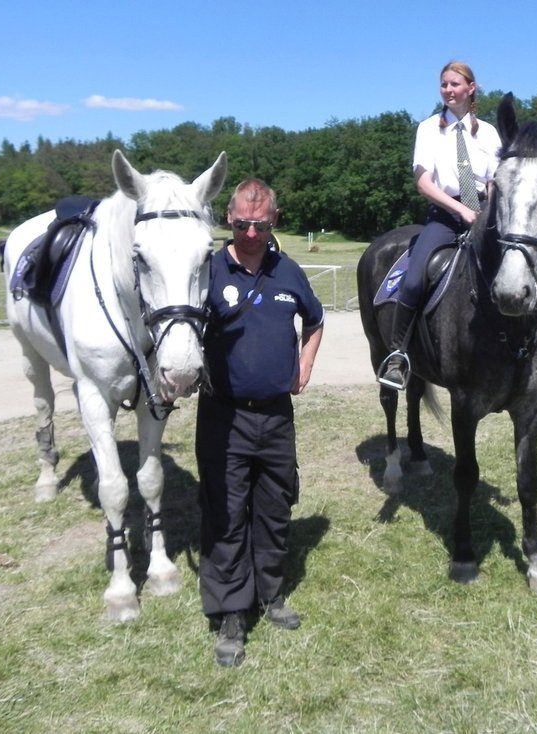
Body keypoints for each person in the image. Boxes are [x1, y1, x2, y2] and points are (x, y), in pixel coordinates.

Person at [196, 178, 325, 668]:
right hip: (223, 416)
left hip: (276, 417)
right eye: (244, 222)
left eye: (262, 222)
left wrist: (305, 366)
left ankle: (270, 594)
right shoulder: (207, 271)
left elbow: (314, 321)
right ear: (229, 218)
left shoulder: (287, 271)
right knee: (226, 514)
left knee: (275, 508)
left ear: (276, 218)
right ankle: (231, 612)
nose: (252, 232)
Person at [378, 61, 502, 389]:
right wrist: (461, 210)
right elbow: (424, 182)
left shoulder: (489, 132)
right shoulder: (428, 128)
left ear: (471, 88)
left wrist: (487, 214)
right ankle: (397, 356)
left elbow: (493, 181)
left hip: (484, 215)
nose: (448, 90)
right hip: (445, 217)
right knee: (415, 278)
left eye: (455, 84)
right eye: (444, 84)